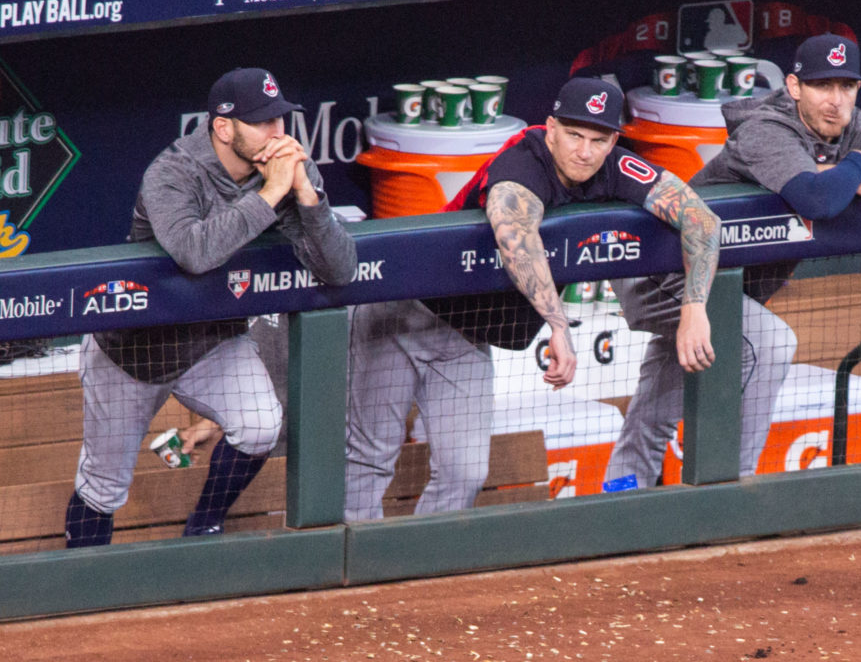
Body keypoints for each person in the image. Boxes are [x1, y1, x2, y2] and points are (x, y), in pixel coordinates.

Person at [345, 77, 721, 519]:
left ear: (613, 141)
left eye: (598, 140)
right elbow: (516, 239)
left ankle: (425, 554)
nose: (584, 151)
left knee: (465, 473)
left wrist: (693, 307)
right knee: (370, 459)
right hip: (403, 314)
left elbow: (702, 220)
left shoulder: (616, 166)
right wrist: (558, 326)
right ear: (552, 128)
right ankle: (352, 558)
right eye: (574, 135)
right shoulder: (522, 163)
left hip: (466, 336)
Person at [605, 33, 861, 484]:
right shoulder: (768, 128)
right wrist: (859, 163)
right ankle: (729, 491)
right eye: (822, 85)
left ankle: (619, 493)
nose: (836, 99)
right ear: (794, 86)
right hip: (669, 267)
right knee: (769, 343)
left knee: (660, 401)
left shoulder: (848, 124)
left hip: (727, 283)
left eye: (847, 86)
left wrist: (841, 172)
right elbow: (818, 199)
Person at [64, 67, 358, 546]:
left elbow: (340, 270)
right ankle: (84, 575)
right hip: (134, 351)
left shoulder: (287, 169)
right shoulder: (173, 172)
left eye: (280, 118)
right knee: (104, 486)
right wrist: (272, 193)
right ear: (223, 127)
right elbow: (194, 253)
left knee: (260, 426)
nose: (277, 133)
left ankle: (204, 525)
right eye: (261, 122)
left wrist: (307, 195)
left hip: (213, 340)